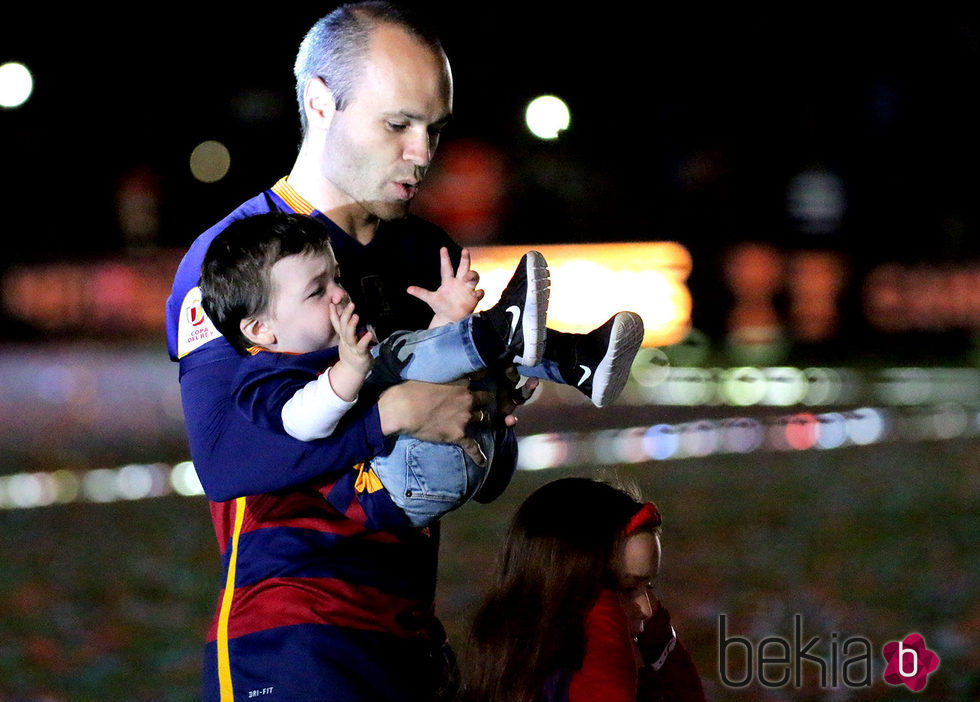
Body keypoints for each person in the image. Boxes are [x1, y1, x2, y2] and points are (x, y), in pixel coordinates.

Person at [164, 2, 644, 700]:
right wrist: (392, 410)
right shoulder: (235, 255)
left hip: (412, 637)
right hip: (290, 636)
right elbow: (225, 460)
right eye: (398, 125)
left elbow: (481, 477)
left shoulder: (429, 252)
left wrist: (485, 414)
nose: (422, 153)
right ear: (320, 104)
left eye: (434, 129)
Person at [199, 211, 552, 526]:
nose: (339, 294)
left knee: (403, 352)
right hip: (397, 484)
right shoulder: (263, 377)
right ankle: (503, 333)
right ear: (260, 330)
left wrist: (446, 318)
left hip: (440, 472)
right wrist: (352, 370)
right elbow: (301, 421)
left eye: (336, 278)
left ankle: (568, 362)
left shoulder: (344, 343)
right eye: (316, 292)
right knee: (395, 350)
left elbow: (414, 375)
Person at [462, 477, 706, 702]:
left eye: (649, 586)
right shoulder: (552, 686)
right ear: (570, 593)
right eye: (627, 589)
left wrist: (663, 649)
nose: (647, 608)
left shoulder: (640, 665)